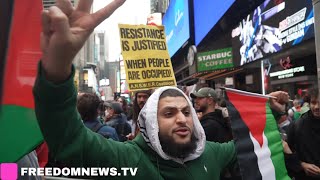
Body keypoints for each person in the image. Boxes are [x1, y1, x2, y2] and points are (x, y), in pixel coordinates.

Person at [32, 0, 290, 179]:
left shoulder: (211, 153)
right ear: (150, 123)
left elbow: (254, 143)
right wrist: (57, 70)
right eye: (168, 113)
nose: (181, 118)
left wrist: (272, 112)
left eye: (186, 112)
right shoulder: (128, 160)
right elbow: (70, 139)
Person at [287, 88, 320, 180]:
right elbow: (287, 153)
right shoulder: (297, 125)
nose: (317, 107)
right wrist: (301, 165)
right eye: (313, 102)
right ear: (309, 103)